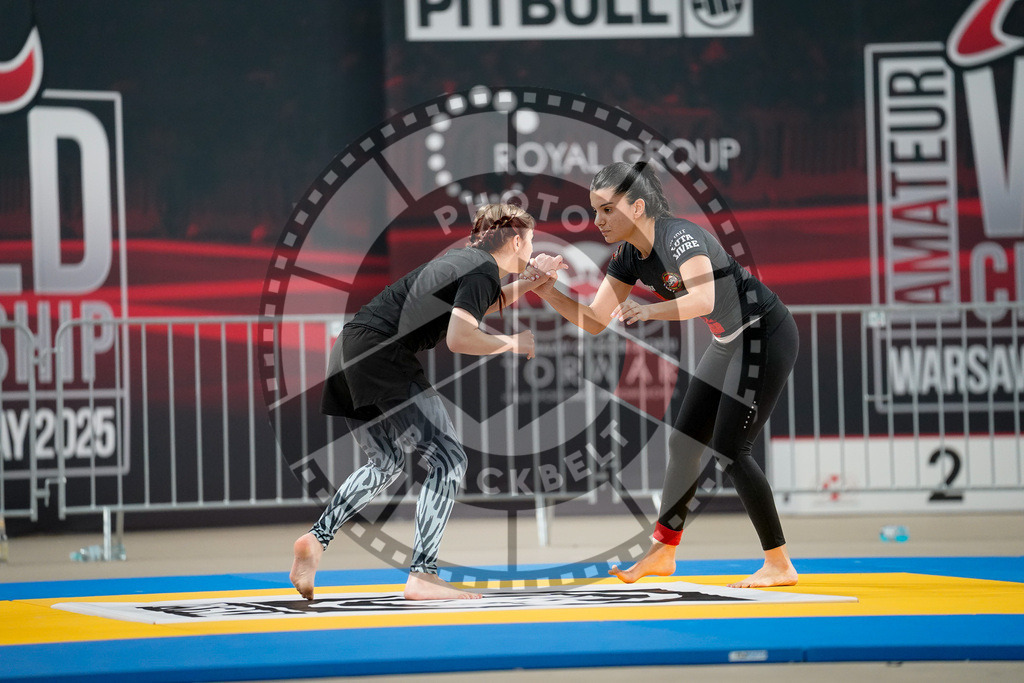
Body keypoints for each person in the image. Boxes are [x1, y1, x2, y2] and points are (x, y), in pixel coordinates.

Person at [531, 161, 800, 588]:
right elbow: (595, 320)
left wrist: (650, 310)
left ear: (637, 207)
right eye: (596, 210)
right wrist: (547, 290)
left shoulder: (679, 237)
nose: (597, 220)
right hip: (728, 341)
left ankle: (779, 564)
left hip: (763, 334)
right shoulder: (627, 257)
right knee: (684, 442)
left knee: (731, 450)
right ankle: (663, 551)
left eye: (606, 209)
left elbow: (703, 299)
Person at [290, 203, 563, 601]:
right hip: (382, 355)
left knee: (385, 462)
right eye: (533, 239)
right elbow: (460, 337)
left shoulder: (465, 262)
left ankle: (317, 539)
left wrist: (532, 282)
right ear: (518, 240)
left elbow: (480, 302)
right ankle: (423, 574)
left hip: (349, 348)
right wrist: (511, 342)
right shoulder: (482, 269)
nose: (534, 246)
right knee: (449, 460)